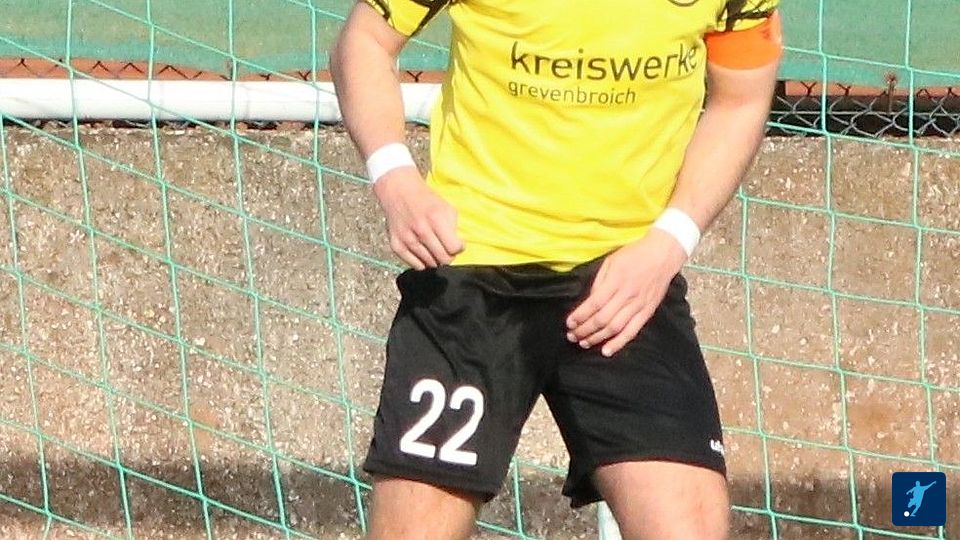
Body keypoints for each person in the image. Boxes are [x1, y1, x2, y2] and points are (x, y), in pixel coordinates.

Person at [331, 0, 783, 537]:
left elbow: (741, 98)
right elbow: (364, 42)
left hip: (625, 290)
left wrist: (669, 242)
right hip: (472, 272)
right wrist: (394, 177)